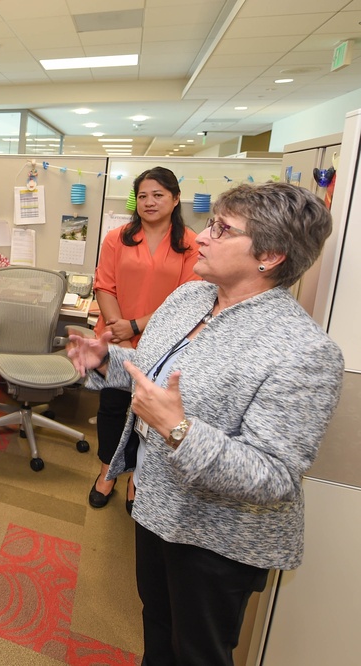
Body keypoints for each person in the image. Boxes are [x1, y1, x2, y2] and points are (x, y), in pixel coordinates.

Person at [68, 182, 344, 665]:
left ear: (271, 255)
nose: (203, 237)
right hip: (155, 505)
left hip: (218, 534)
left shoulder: (303, 351)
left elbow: (275, 476)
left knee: (198, 652)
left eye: (222, 229)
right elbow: (153, 374)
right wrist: (104, 361)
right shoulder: (191, 297)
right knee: (156, 620)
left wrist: (179, 431)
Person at [88, 167, 199, 512]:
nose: (149, 202)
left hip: (164, 345)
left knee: (149, 415)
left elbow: (190, 297)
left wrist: (135, 326)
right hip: (116, 338)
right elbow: (105, 285)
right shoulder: (117, 238)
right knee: (112, 408)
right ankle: (108, 471)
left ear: (176, 198)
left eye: (159, 195)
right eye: (144, 196)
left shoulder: (190, 244)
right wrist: (120, 328)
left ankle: (138, 477)